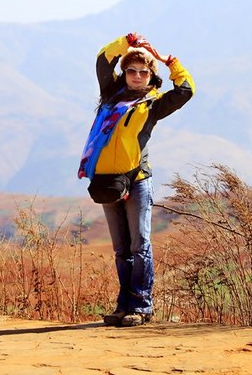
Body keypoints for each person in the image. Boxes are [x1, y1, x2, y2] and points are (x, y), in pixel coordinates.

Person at [78, 32, 195, 327]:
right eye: (131, 70)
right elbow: (103, 62)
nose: (137, 76)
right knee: (121, 248)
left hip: (138, 180)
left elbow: (185, 90)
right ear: (125, 73)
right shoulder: (110, 96)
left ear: (150, 75)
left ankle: (142, 306)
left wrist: (171, 63)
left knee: (139, 245)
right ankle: (123, 306)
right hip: (108, 182)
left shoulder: (152, 105)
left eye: (144, 72)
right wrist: (126, 42)